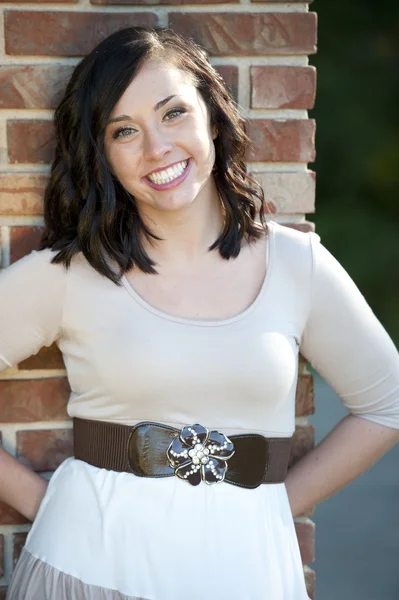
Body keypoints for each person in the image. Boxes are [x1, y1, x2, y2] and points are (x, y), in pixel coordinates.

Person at [1, 25, 399, 600]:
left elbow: (386, 404)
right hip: (85, 574)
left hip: (247, 578)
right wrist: (45, 502)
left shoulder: (296, 264)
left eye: (173, 113)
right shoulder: (72, 273)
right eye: (124, 131)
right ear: (103, 154)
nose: (157, 148)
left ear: (211, 115)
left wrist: (272, 506)